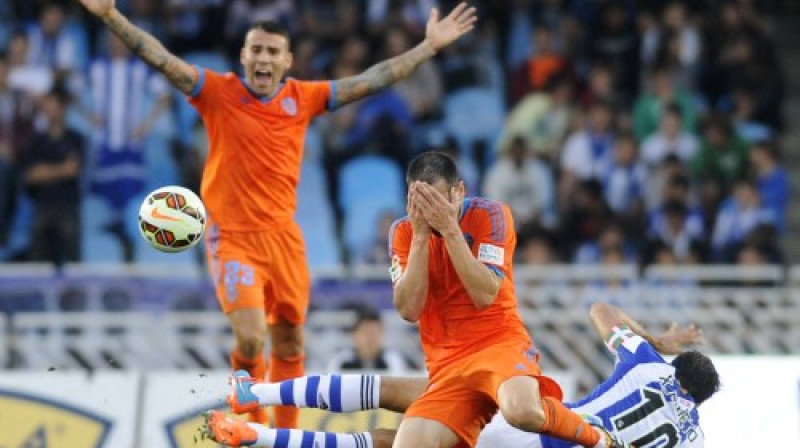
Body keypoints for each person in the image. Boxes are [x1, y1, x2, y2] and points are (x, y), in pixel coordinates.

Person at [75, 0, 477, 428]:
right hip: (232, 237)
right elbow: (161, 59)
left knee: (289, 342)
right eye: (256, 50)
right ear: (243, 57)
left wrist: (427, 47)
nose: (264, 58)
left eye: (273, 52)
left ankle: (283, 434)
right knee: (250, 336)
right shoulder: (217, 92)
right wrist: (110, 16)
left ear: (287, 60)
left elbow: (372, 79)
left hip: (284, 239)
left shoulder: (303, 98)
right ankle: (248, 426)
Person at [209, 152, 628, 448]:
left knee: (522, 411)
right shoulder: (405, 232)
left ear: (459, 191)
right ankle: (257, 422)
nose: (426, 210)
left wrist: (449, 231)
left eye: (437, 200)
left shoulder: (491, 216)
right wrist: (425, 235)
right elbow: (408, 309)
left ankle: (603, 441)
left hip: (498, 345)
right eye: (417, 201)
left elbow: (485, 293)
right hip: (445, 366)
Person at [201, 301, 715, 448]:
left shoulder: (650, 365)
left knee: (415, 405)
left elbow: (601, 310)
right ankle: (257, 434)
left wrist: (653, 340)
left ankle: (255, 397)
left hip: (540, 434)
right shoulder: (694, 436)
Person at [20, 86, 83, 266]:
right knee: (37, 252)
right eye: (46, 107)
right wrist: (61, 169)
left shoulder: (75, 139)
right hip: (42, 204)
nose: (49, 111)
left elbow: (74, 170)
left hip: (68, 204)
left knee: (72, 253)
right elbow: (31, 175)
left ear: (62, 108)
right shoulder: (36, 141)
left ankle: (73, 291)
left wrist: (45, 171)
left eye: (53, 106)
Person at [327, 307, 415, 374]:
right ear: (354, 335)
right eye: (365, 332)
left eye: (374, 332)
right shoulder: (341, 361)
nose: (370, 338)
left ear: (382, 334)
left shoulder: (393, 360)